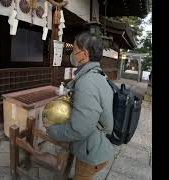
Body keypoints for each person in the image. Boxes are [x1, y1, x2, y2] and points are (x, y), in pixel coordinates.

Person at [43, 31, 115, 180]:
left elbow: (79, 129)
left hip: (92, 151)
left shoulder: (87, 83)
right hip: (98, 144)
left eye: (75, 50)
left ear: (84, 54)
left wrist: (52, 130)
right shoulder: (99, 75)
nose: (73, 54)